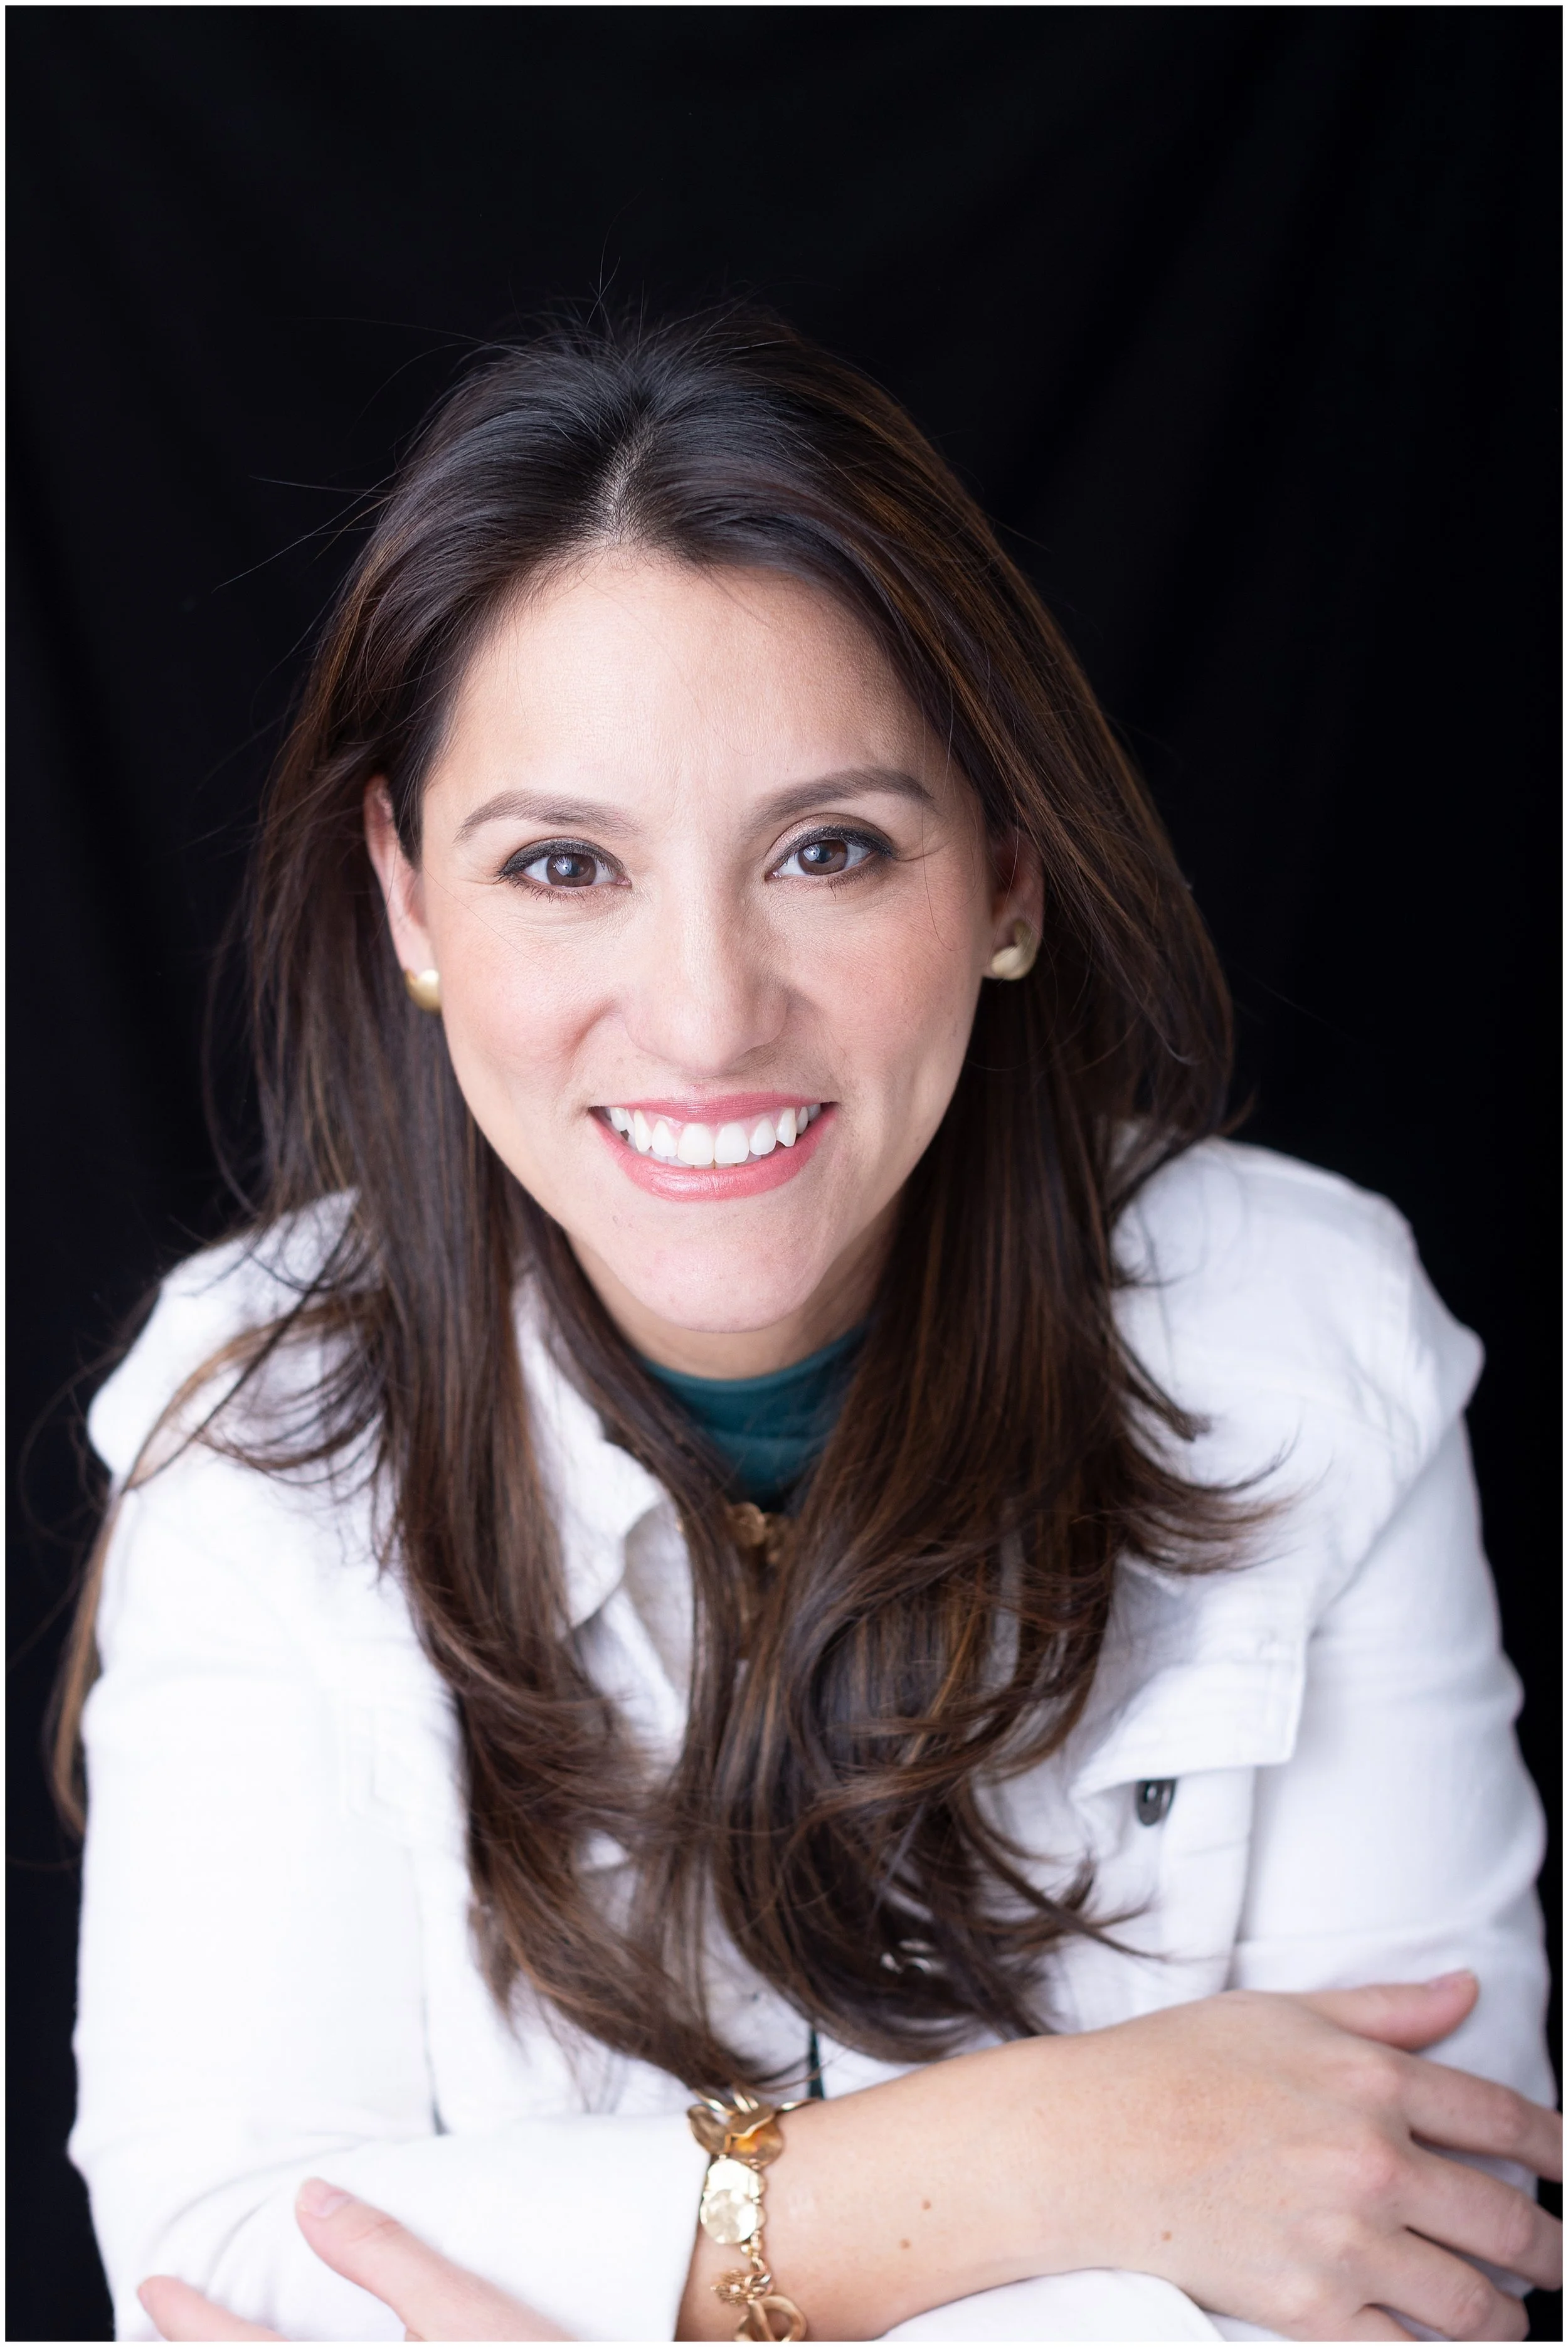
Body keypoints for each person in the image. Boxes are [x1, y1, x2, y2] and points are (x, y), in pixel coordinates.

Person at [59, 310, 1558, 2346]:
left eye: (829, 849)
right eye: (564, 863)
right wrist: (1069, 2155)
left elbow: (1425, 2245)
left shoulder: (1308, 1338)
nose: (702, 1010)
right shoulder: (256, 1415)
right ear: (411, 901)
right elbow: (215, 2270)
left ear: (1007, 872)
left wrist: (617, 2278)